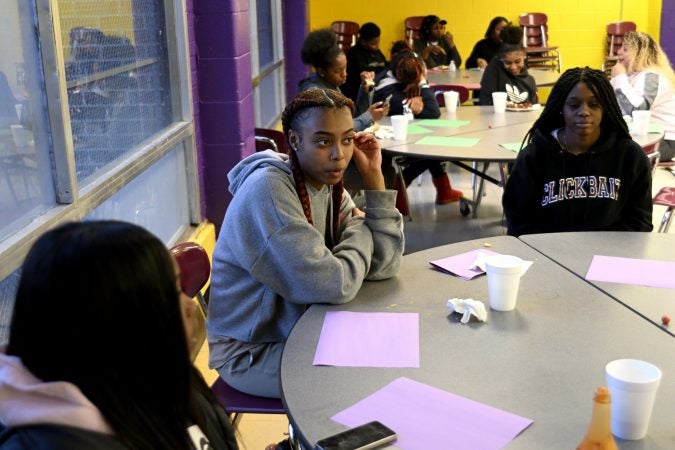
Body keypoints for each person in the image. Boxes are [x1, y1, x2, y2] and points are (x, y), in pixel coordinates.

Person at [207, 89, 404, 400]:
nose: (339, 154)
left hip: (303, 328)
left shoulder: (324, 182)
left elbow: (384, 265)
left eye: (347, 139)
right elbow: (332, 285)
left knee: (395, 352)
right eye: (324, 141)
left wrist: (374, 178)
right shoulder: (269, 191)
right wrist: (360, 225)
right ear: (295, 141)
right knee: (367, 380)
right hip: (253, 351)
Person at [0, 221, 238, 449]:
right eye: (175, 291)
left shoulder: (155, 377)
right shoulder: (59, 442)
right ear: (119, 325)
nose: (191, 306)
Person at [502, 67, 654, 236]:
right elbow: (519, 223)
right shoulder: (535, 156)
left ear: (605, 108)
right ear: (562, 108)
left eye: (594, 104)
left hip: (610, 256)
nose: (584, 112)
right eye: (574, 105)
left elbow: (640, 222)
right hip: (546, 254)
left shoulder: (630, 156)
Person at [373, 52, 463, 214]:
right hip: (386, 138)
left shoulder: (405, 71)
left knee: (434, 140)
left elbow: (428, 110)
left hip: (410, 132)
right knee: (430, 148)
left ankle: (444, 190)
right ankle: (399, 186)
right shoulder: (386, 90)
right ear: (404, 80)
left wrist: (421, 85)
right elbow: (432, 111)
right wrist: (422, 83)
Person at [298, 28, 388, 131]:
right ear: (321, 71)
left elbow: (350, 117)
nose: (344, 74)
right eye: (338, 71)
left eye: (345, 68)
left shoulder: (331, 84)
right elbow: (340, 130)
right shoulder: (315, 94)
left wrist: (365, 90)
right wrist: (370, 117)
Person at [610, 31, 675, 162]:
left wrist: (619, 78)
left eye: (626, 49)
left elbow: (637, 110)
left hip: (664, 141)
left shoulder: (652, 76)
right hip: (644, 135)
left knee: (611, 153)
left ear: (639, 54)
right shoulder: (634, 75)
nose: (619, 52)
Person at [479, 25, 537, 106]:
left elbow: (532, 107)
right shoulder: (493, 70)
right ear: (501, 59)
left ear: (524, 55)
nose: (513, 67)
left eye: (517, 62)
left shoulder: (530, 81)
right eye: (508, 63)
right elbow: (485, 103)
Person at [343, 22, 388, 103]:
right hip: (357, 94)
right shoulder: (354, 53)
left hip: (375, 88)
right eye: (373, 44)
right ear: (363, 42)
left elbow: (385, 64)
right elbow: (364, 70)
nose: (377, 46)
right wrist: (384, 69)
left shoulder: (377, 52)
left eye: (378, 42)